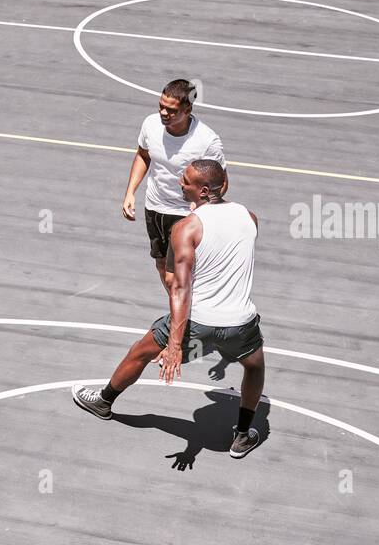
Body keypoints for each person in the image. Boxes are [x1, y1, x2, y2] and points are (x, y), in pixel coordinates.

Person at [75, 159, 265, 459]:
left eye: (185, 180)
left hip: (198, 323)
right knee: (254, 367)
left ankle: (103, 401)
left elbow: (180, 287)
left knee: (141, 351)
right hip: (240, 324)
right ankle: (242, 436)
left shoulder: (185, 228)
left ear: (202, 191)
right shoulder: (249, 217)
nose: (180, 182)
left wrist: (176, 345)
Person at [121, 79, 226, 292]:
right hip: (154, 208)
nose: (163, 113)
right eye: (161, 106)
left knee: (175, 278)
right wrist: (130, 192)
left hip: (184, 214)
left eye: (171, 110)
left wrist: (204, 208)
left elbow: (221, 182)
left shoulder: (206, 141)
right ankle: (180, 312)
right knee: (161, 266)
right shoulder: (150, 125)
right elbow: (143, 155)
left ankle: (184, 318)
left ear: (187, 109)